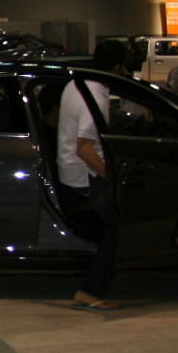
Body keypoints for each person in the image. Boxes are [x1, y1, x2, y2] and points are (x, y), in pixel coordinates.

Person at [57, 39, 130, 311]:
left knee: (110, 230)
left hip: (70, 170)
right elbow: (85, 149)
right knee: (119, 230)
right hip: (85, 176)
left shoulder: (74, 84)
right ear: (118, 67)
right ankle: (90, 290)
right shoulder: (95, 95)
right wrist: (114, 178)